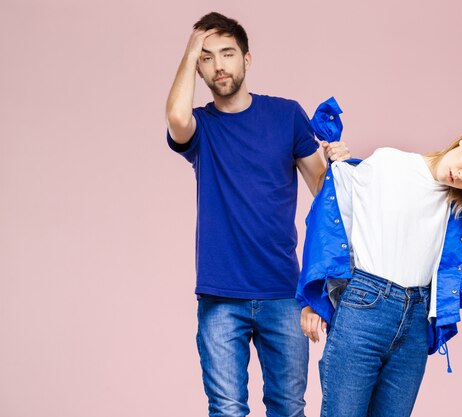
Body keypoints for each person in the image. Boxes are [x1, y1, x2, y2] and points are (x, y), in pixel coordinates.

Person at [165, 13, 350, 417]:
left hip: (283, 291)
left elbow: (322, 190)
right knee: (227, 410)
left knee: (287, 408)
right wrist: (189, 48)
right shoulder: (202, 128)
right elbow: (176, 119)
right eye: (207, 58)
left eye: (227, 54)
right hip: (220, 296)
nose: (219, 66)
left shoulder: (286, 116)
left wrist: (334, 166)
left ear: (247, 60)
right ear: (198, 68)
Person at [297, 99, 462, 417]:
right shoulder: (390, 163)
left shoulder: (454, 213)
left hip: (415, 325)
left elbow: (452, 282)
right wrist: (314, 302)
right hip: (364, 309)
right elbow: (334, 215)